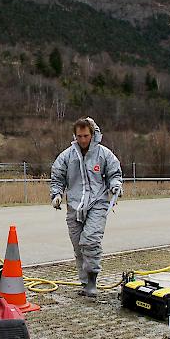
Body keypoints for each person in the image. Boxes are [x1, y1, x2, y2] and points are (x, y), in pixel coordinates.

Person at [50, 117, 123, 297]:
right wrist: (57, 194)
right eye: (79, 136)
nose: (83, 139)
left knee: (90, 241)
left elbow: (114, 173)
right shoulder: (67, 156)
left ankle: (92, 282)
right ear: (75, 136)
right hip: (74, 206)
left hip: (98, 203)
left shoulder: (104, 154)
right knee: (78, 246)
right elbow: (57, 176)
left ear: (92, 134)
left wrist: (115, 186)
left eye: (86, 135)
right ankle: (84, 283)